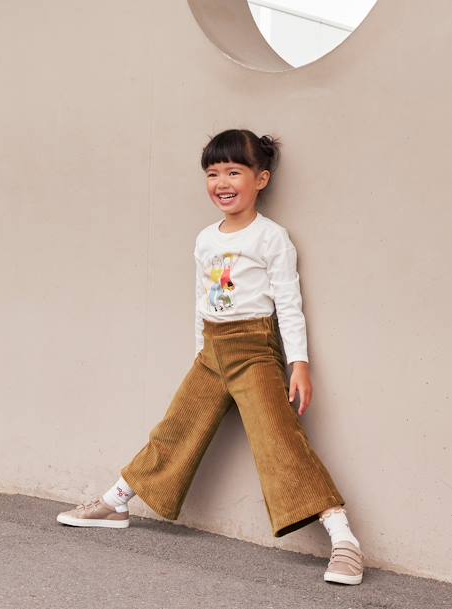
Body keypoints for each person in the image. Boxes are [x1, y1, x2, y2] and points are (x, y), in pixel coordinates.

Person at [56, 128, 364, 585]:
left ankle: (343, 540)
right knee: (176, 428)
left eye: (234, 172)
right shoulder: (205, 239)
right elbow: (200, 299)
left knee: (278, 439)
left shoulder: (271, 238)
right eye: (213, 172)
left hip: (254, 350)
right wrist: (201, 352)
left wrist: (298, 363)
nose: (221, 182)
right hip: (212, 350)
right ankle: (116, 500)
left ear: (261, 179)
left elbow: (289, 304)